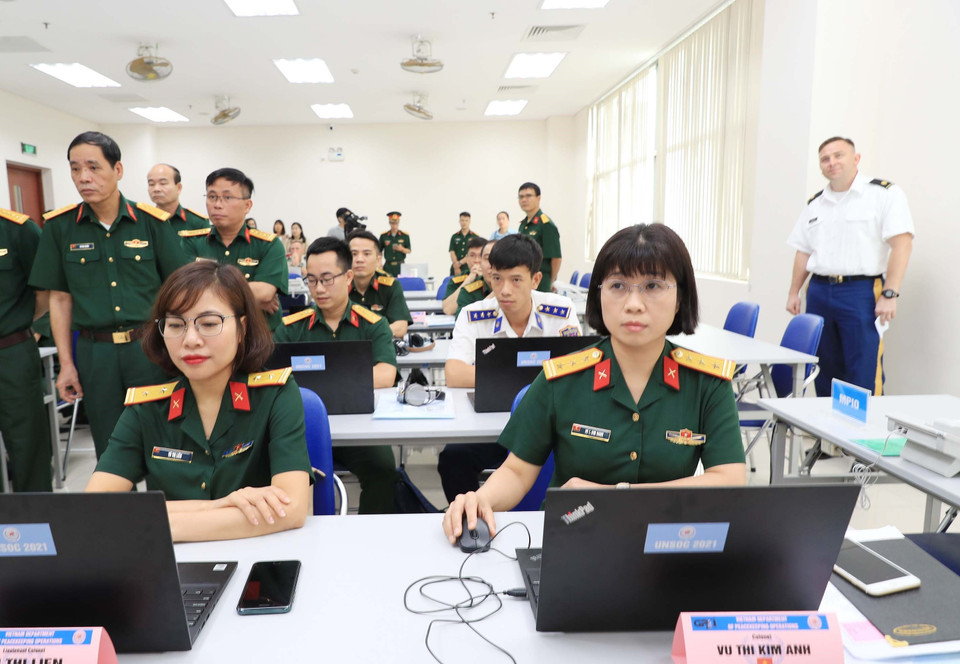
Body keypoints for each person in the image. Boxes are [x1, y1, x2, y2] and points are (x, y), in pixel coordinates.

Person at [443, 224, 747, 542]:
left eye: (653, 285)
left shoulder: (708, 383)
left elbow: (728, 479)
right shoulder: (560, 378)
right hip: (575, 538)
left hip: (670, 541)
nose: (633, 303)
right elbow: (517, 472)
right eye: (617, 285)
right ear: (599, 294)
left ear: (680, 297)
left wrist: (615, 497)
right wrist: (481, 500)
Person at [86, 261, 311, 542]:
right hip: (172, 570)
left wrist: (159, 525)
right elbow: (94, 508)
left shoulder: (276, 393)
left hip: (260, 564)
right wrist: (218, 505)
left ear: (241, 329)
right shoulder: (147, 407)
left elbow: (291, 509)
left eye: (208, 324)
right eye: (176, 325)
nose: (190, 339)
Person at [29, 131, 188, 459]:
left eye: (93, 167)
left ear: (118, 170)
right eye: (75, 169)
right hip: (95, 353)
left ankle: (167, 511)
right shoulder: (59, 228)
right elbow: (59, 300)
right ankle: (120, 510)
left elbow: (181, 291)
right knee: (112, 447)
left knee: (162, 442)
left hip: (149, 348)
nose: (83, 177)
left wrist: (179, 349)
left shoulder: (151, 222)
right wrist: (67, 365)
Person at [439, 234, 583, 502]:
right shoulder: (473, 315)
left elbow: (578, 372)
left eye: (516, 280)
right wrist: (527, 379)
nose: (504, 290)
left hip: (550, 427)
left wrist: (499, 378)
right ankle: (473, 522)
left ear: (536, 280)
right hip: (491, 426)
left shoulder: (560, 311)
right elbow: (454, 374)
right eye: (497, 278)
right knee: (452, 458)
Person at [274, 236, 399, 514]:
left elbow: (386, 374)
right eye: (312, 280)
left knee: (383, 471)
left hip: (359, 428)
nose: (319, 288)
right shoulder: (291, 328)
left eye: (327, 279)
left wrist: (321, 381)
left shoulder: (373, 324)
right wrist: (344, 380)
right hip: (300, 429)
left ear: (348, 277)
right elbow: (273, 378)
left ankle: (367, 540)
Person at [786, 137, 915, 396]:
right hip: (820, 291)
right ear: (820, 166)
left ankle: (865, 436)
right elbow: (803, 250)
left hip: (861, 292)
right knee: (825, 370)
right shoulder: (816, 203)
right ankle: (829, 435)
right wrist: (794, 291)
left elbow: (902, 244)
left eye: (839, 155)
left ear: (856, 159)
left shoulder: (883, 194)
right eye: (825, 158)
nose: (832, 162)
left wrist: (890, 293)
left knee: (863, 370)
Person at [179, 168, 288, 331]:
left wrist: (209, 291)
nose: (217, 205)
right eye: (212, 197)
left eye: (227, 197)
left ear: (247, 205)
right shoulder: (190, 242)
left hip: (258, 339)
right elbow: (186, 294)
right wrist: (250, 298)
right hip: (207, 337)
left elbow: (265, 293)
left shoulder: (269, 245)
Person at [0, 207, 53, 491]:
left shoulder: (18, 230)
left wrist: (17, 322)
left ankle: (34, 524)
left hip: (10, 353)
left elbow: (44, 292)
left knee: (27, 445)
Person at [347, 229, 412, 338]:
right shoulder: (338, 286)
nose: (359, 259)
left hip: (381, 347)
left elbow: (401, 326)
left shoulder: (390, 286)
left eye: (367, 254)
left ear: (378, 260)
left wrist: (369, 336)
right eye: (354, 254)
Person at [517, 182, 562, 292]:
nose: (524, 200)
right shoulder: (524, 225)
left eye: (528, 196)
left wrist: (550, 281)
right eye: (521, 197)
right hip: (524, 278)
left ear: (538, 198)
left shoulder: (545, 224)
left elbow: (556, 258)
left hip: (541, 281)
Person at [145, 163, 209, 240]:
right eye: (151, 184)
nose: (156, 189)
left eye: (163, 183)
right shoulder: (143, 221)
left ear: (178, 188)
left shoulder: (197, 223)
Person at [441, 236, 489, 316]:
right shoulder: (456, 281)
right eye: (472, 255)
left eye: (481, 256)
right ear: (466, 258)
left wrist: (483, 279)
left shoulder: (494, 280)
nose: (476, 260)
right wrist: (469, 280)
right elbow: (448, 310)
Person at [378, 211, 411, 277]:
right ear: (389, 223)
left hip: (400, 266)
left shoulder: (404, 236)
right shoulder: (384, 236)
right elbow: (379, 251)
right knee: (387, 284)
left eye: (396, 223)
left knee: (401, 285)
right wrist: (379, 263)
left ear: (398, 223)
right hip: (388, 266)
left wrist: (402, 249)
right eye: (392, 223)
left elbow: (409, 250)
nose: (394, 225)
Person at [448, 211, 479, 276]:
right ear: (459, 221)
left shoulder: (475, 237)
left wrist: (460, 263)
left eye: (466, 220)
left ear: (469, 222)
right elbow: (452, 252)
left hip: (468, 267)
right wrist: (456, 266)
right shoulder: (455, 236)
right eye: (462, 220)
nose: (464, 222)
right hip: (455, 267)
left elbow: (475, 253)